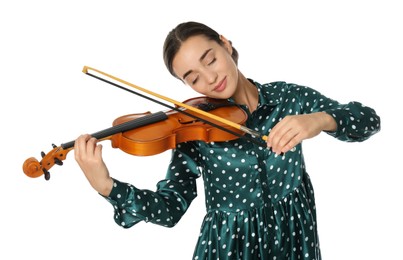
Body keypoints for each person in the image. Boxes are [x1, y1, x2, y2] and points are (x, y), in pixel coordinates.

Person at [74, 21, 381, 259]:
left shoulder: (289, 98)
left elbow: (368, 120)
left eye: (210, 59)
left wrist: (320, 119)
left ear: (226, 44)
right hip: (231, 246)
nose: (209, 78)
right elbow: (169, 209)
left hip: (293, 235)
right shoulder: (197, 129)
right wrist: (108, 187)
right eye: (193, 78)